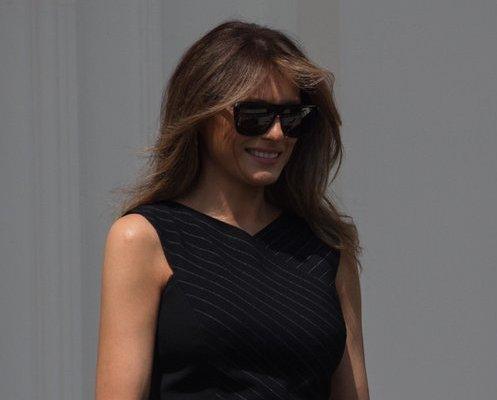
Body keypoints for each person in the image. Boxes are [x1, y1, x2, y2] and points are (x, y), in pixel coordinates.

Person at [95, 21, 369, 399]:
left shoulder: (327, 246)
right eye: (253, 115)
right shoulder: (143, 239)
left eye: (291, 118)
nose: (276, 134)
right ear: (203, 114)